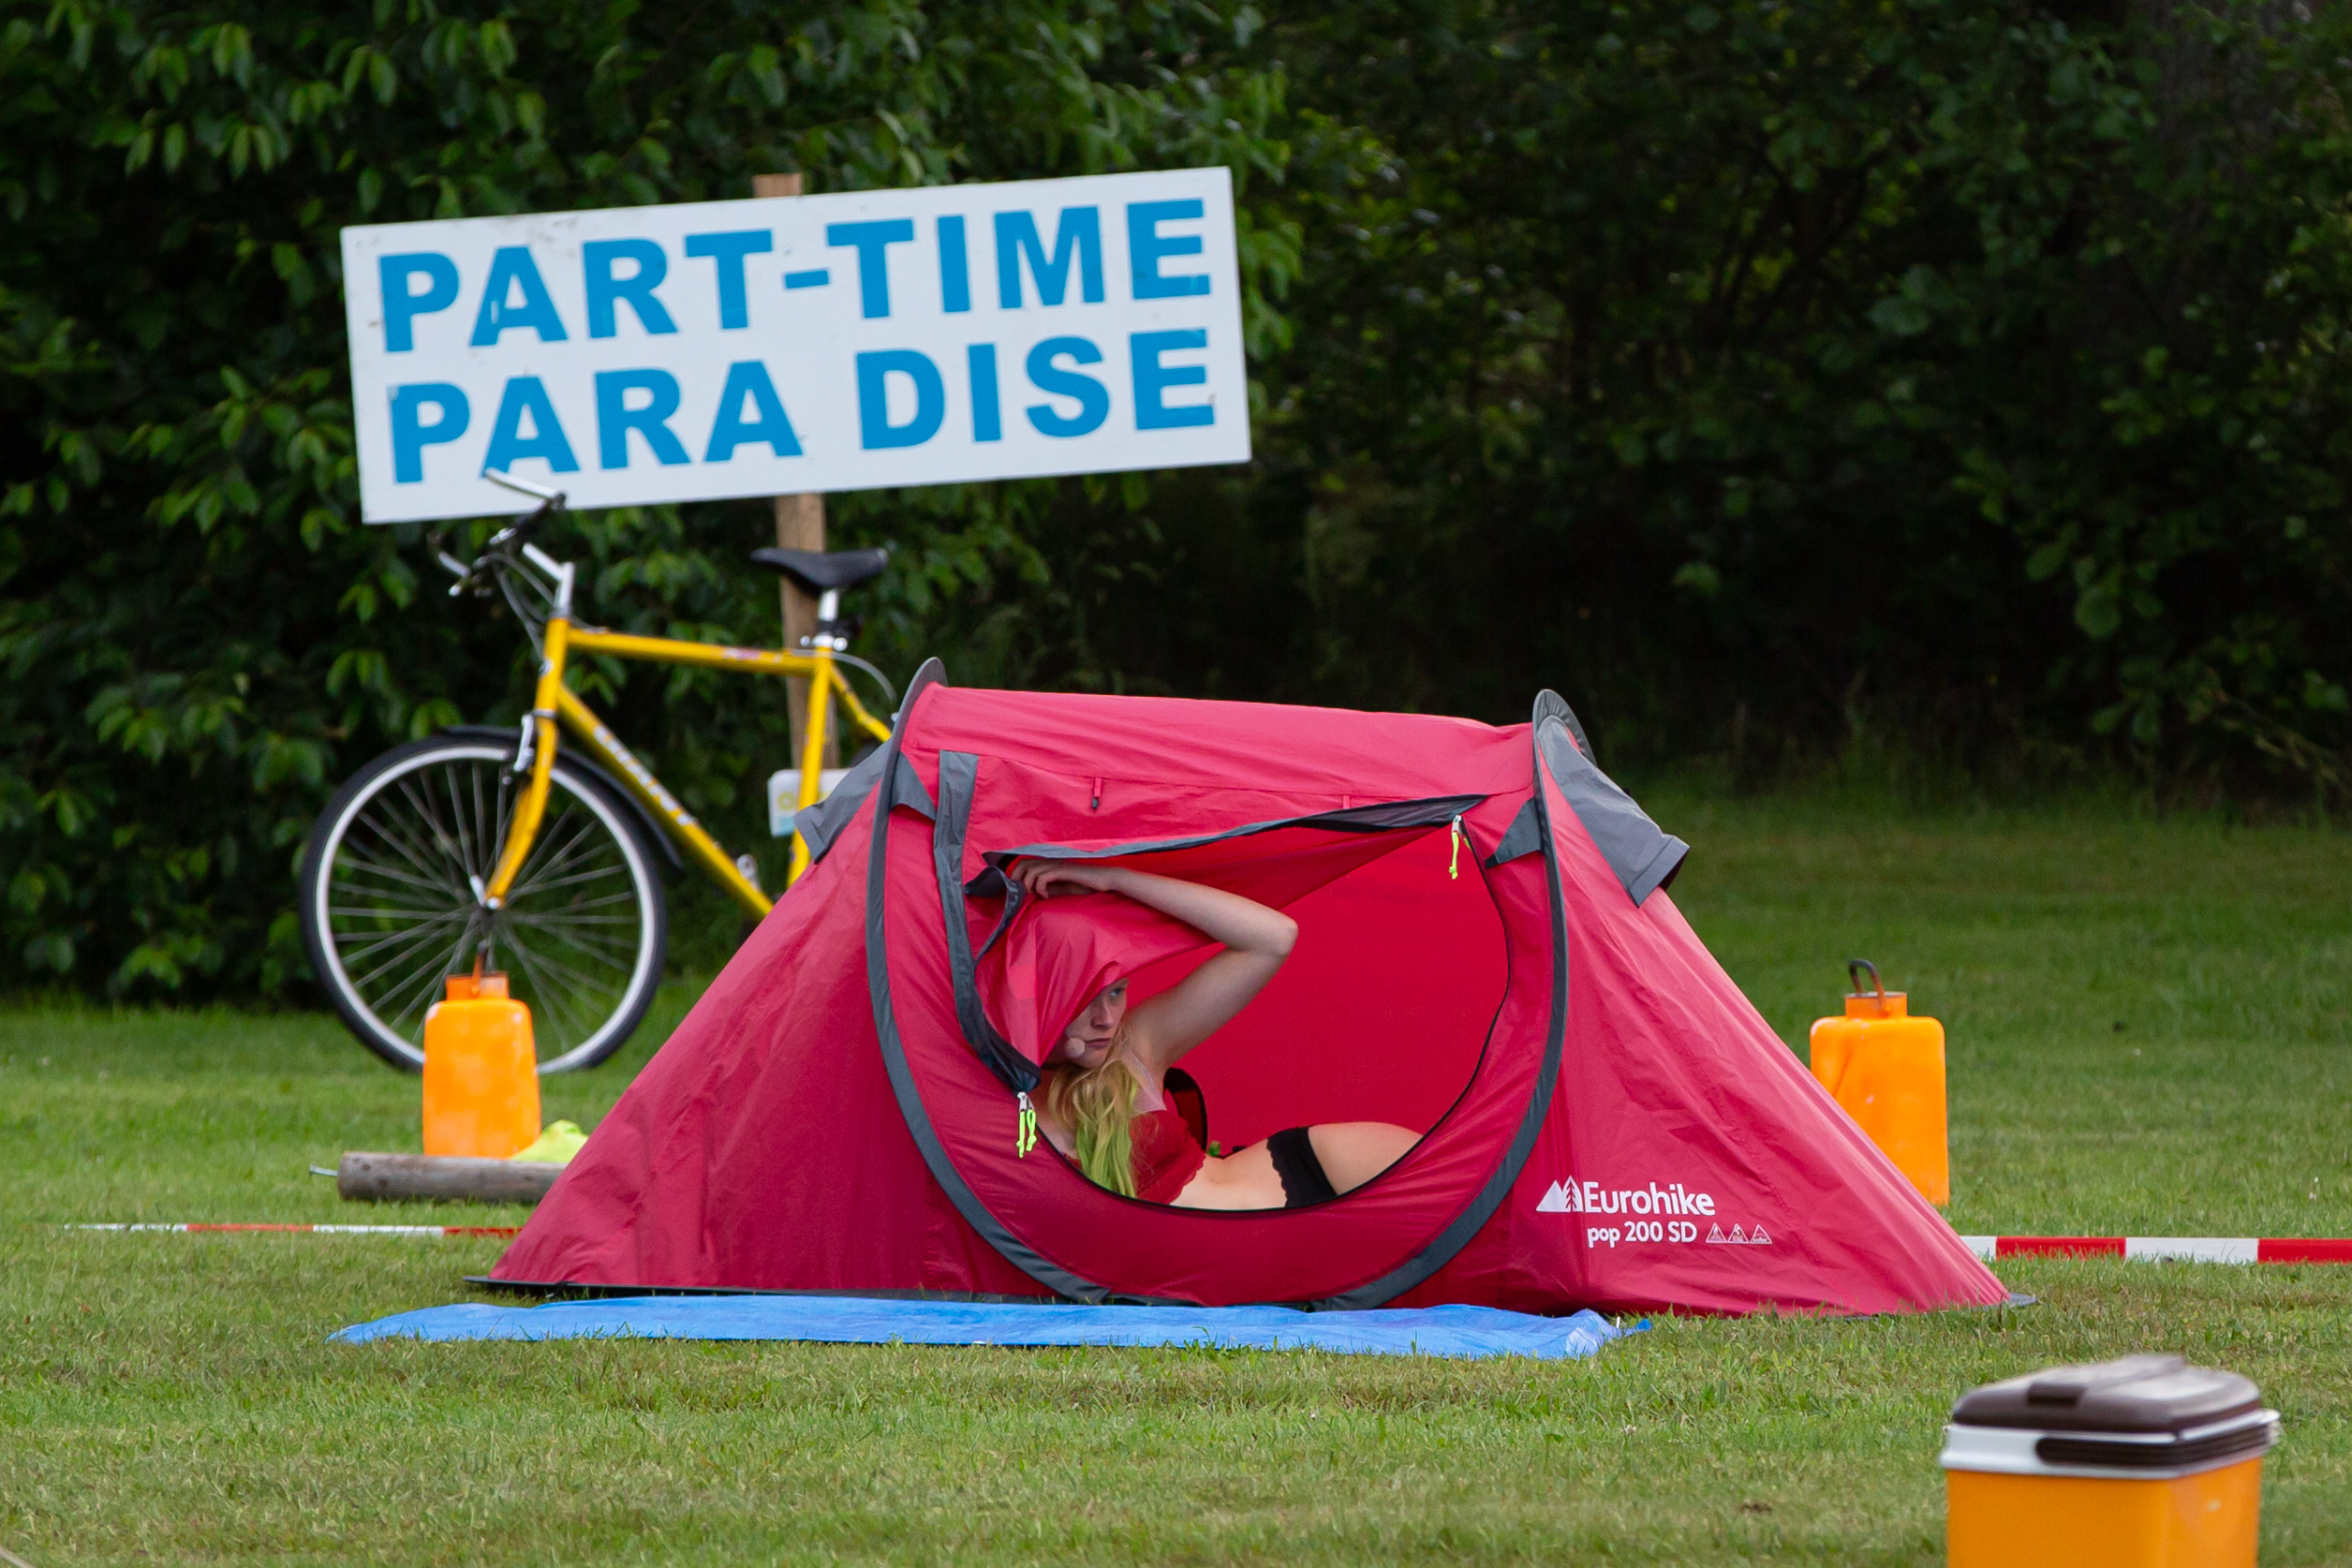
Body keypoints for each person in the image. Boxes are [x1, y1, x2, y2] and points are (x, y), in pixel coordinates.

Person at [1013, 858, 1421, 1209]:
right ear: (1039, 991)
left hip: (1312, 1176)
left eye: (1117, 992)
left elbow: (1271, 938)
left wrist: (1114, 879)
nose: (1105, 1018)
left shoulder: (1134, 1044)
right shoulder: (996, 1095)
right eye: (1084, 996)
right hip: (1246, 1267)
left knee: (1472, 1204)